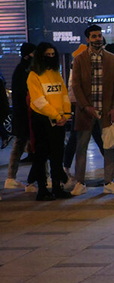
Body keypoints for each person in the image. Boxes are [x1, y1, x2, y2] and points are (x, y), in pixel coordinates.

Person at [70, 25, 114, 196]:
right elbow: (76, 86)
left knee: (109, 146)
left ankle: (109, 181)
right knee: (81, 147)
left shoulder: (111, 59)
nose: (98, 39)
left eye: (99, 35)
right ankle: (79, 182)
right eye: (94, 36)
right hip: (86, 112)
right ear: (87, 39)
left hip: (107, 111)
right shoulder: (79, 60)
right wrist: (86, 106)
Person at [26, 43, 72, 201]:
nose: (51, 57)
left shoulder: (56, 74)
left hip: (58, 120)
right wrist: (57, 116)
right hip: (42, 120)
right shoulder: (33, 75)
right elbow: (39, 101)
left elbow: (64, 95)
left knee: (57, 155)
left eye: (53, 54)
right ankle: (42, 189)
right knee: (41, 155)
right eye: (47, 54)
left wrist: (66, 114)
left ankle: (58, 187)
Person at [6, 43, 37, 191]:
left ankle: (12, 178)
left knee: (21, 145)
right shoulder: (24, 71)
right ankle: (38, 179)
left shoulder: (23, 69)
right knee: (36, 144)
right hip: (26, 114)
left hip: (22, 115)